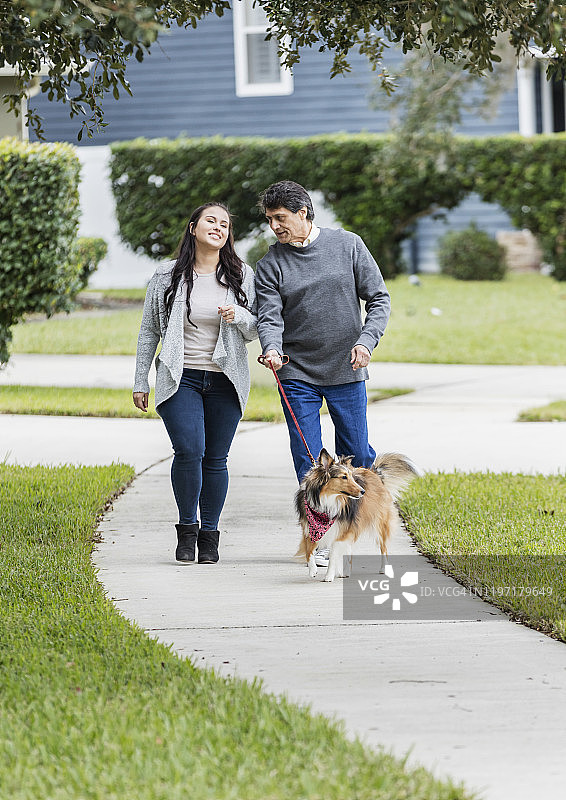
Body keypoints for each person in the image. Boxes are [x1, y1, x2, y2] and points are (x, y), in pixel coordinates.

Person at [255, 180, 390, 566]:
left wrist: (367, 340)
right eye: (269, 220)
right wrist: (272, 348)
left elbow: (379, 298)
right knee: (310, 461)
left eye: (280, 218)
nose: (275, 227)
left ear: (303, 213)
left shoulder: (347, 244)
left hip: (347, 368)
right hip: (296, 371)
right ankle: (317, 540)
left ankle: (359, 522)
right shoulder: (271, 264)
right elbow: (269, 316)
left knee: (358, 454)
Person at [133, 202, 257, 565]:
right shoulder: (167, 275)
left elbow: (256, 330)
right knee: (190, 450)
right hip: (180, 377)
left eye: (224, 224)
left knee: (216, 458)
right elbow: (148, 331)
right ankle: (187, 530)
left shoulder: (241, 275)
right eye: (210, 221)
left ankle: (210, 536)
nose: (218, 227)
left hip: (225, 380)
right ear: (193, 228)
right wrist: (142, 379)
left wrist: (240, 316)